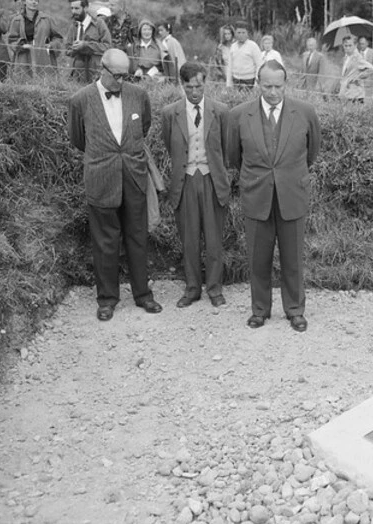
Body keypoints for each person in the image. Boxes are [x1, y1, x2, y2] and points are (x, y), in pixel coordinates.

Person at [68, 48, 163, 321]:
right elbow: (78, 139)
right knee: (105, 241)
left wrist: (125, 157)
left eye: (126, 75)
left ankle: (143, 294)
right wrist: (104, 157)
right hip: (101, 179)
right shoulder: (80, 100)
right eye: (117, 76)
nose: (122, 81)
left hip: (134, 176)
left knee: (137, 237)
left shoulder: (138, 95)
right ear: (102, 68)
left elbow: (143, 127)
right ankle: (107, 299)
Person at [228, 60, 321, 332]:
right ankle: (260, 309)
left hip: (292, 195)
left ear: (286, 84)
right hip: (257, 196)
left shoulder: (305, 112)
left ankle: (295, 309)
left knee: (293, 258)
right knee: (258, 258)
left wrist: (289, 175)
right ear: (258, 83)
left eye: (277, 86)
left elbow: (311, 152)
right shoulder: (239, 115)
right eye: (267, 86)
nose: (272, 92)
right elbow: (234, 155)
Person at [161, 62, 233, 308]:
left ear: (206, 83)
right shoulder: (171, 113)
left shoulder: (221, 111)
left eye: (199, 85)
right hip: (186, 180)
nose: (194, 91)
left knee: (214, 239)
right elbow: (170, 146)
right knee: (189, 239)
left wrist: (215, 171)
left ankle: (214, 288)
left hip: (212, 180)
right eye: (189, 86)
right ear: (182, 85)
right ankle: (192, 288)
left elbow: (226, 147)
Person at [6, 0, 63, 79]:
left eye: (36, 0)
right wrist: (21, 46)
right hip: (24, 58)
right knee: (24, 84)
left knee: (44, 83)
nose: (34, 2)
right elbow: (11, 40)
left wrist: (51, 45)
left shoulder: (47, 19)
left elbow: (57, 37)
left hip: (43, 58)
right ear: (24, 2)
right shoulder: (17, 20)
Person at [65, 0, 112, 84]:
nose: (73, 11)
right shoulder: (73, 26)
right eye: (72, 8)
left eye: (77, 8)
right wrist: (73, 50)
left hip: (95, 74)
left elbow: (107, 47)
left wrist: (86, 45)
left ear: (86, 8)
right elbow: (67, 49)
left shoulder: (99, 24)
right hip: (75, 75)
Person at [339, 35, 373, 103]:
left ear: (355, 45)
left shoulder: (357, 57)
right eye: (345, 45)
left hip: (356, 95)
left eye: (350, 45)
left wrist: (359, 76)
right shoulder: (345, 58)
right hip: (346, 93)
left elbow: (372, 69)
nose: (348, 48)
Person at [226, 20, 262, 90]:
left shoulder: (253, 46)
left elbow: (259, 65)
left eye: (243, 32)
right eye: (239, 32)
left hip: (249, 80)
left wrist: (256, 83)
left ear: (247, 33)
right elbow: (229, 66)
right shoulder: (233, 46)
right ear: (235, 33)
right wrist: (228, 84)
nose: (241, 35)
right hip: (236, 80)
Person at [357, 36, 373, 100]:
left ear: (367, 43)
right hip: (359, 83)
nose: (361, 46)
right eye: (360, 44)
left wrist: (367, 73)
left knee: (369, 100)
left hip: (370, 82)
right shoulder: (357, 54)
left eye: (363, 44)